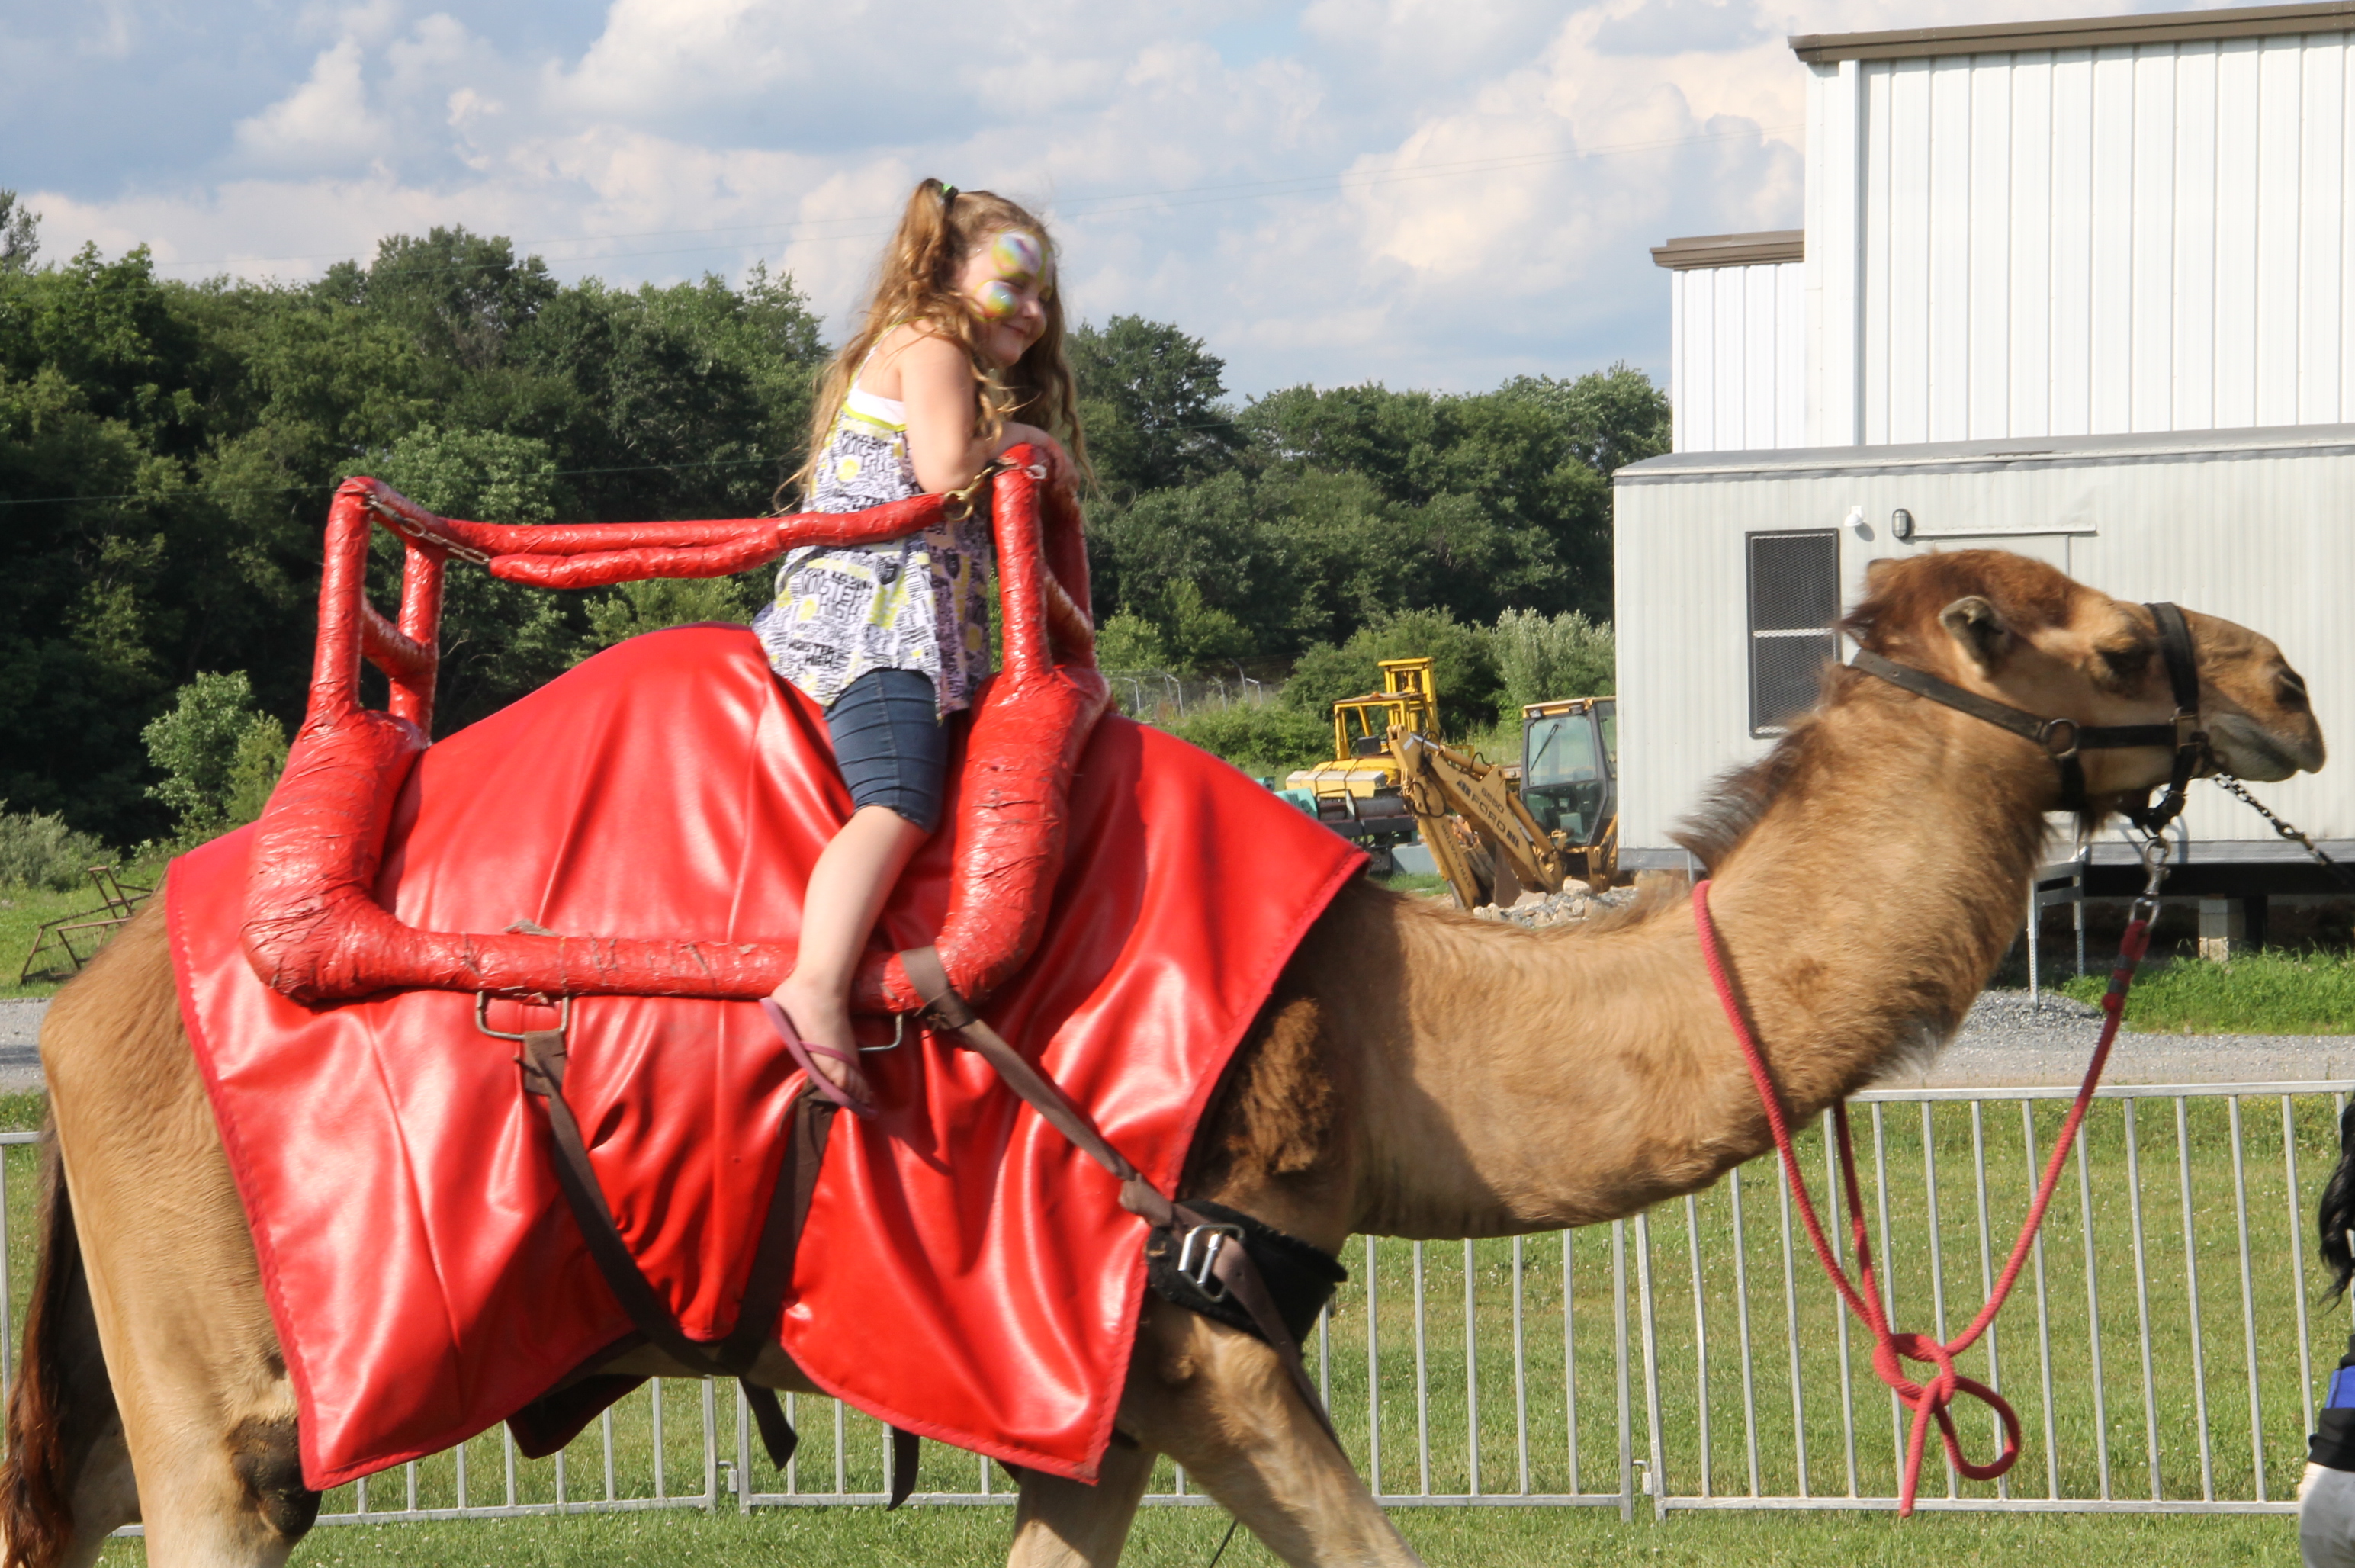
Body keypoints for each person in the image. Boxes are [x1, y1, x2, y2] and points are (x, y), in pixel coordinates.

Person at [753, 179, 1082, 1117]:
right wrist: (1020, 437)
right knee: (898, 797)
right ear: (944, 274)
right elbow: (943, 470)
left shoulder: (935, 346)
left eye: (1041, 293)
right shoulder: (931, 341)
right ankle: (815, 983)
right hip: (871, 620)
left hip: (911, 614)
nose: (1032, 310)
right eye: (1012, 284)